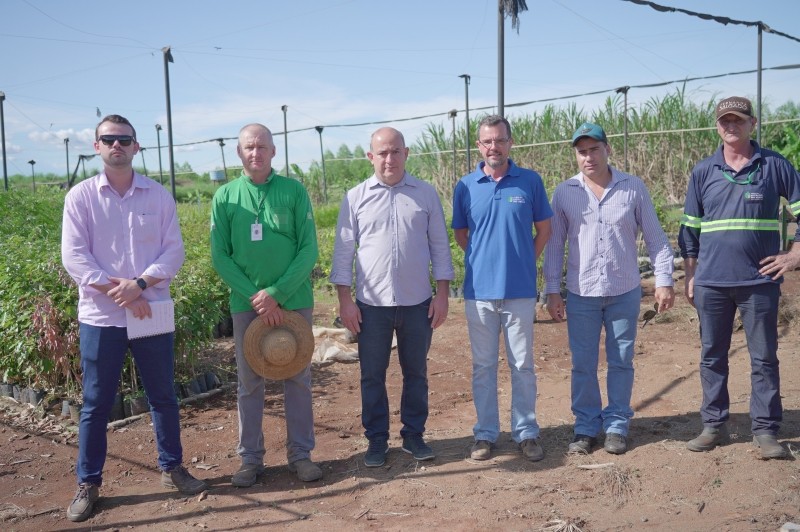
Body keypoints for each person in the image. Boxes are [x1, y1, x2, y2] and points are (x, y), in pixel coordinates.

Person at [61, 114, 207, 522]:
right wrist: (120, 293)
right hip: (100, 316)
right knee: (95, 403)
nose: (117, 145)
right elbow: (75, 257)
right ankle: (88, 482)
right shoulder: (81, 198)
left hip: (151, 310)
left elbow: (172, 252)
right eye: (109, 139)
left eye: (124, 139)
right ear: (97, 146)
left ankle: (172, 468)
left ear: (136, 146)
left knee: (163, 395)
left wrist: (139, 286)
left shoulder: (158, 197)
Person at [543, 122, 675, 455]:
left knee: (621, 360)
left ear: (607, 149)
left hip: (624, 290)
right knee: (583, 363)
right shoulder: (564, 193)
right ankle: (586, 427)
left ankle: (616, 424)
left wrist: (664, 281)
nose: (588, 156)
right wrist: (552, 290)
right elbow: (555, 244)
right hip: (582, 293)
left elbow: (657, 239)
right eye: (582, 151)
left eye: (594, 149)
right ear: (576, 155)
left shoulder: (633, 188)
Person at [679, 96, 800, 459]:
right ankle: (714, 425)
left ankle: (765, 430)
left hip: (758, 283)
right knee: (712, 356)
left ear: (753, 123)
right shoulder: (703, 171)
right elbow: (690, 231)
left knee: (763, 357)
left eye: (738, 120)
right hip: (712, 283)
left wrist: (794, 254)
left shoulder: (775, 166)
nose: (731, 126)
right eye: (724, 121)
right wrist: (690, 275)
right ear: (717, 126)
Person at [330, 127, 454, 467]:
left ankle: (414, 435)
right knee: (372, 374)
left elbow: (440, 246)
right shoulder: (355, 197)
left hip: (417, 304)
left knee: (416, 372)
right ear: (371, 157)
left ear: (406, 153)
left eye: (395, 151)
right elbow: (343, 252)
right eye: (382, 153)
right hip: (371, 306)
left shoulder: (425, 195)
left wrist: (442, 294)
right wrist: (345, 300)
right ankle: (377, 440)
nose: (389, 158)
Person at [211, 123, 322, 484]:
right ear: (238, 153)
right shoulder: (225, 197)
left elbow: (308, 250)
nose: (254, 153)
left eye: (261, 146)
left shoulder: (293, 191)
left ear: (274, 151)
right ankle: (250, 460)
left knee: (298, 379)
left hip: (294, 302)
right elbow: (221, 256)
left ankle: (301, 455)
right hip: (246, 305)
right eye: (248, 147)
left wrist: (276, 293)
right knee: (250, 383)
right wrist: (257, 298)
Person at [452, 114, 553, 462]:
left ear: (510, 143)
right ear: (479, 146)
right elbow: (462, 234)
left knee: (522, 364)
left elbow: (544, 231)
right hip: (479, 293)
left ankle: (526, 432)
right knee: (483, 366)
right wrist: (485, 261)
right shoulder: (465, 186)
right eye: (487, 141)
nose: (493, 146)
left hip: (520, 292)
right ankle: (485, 433)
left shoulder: (529, 182)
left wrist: (524, 260)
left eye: (500, 140)